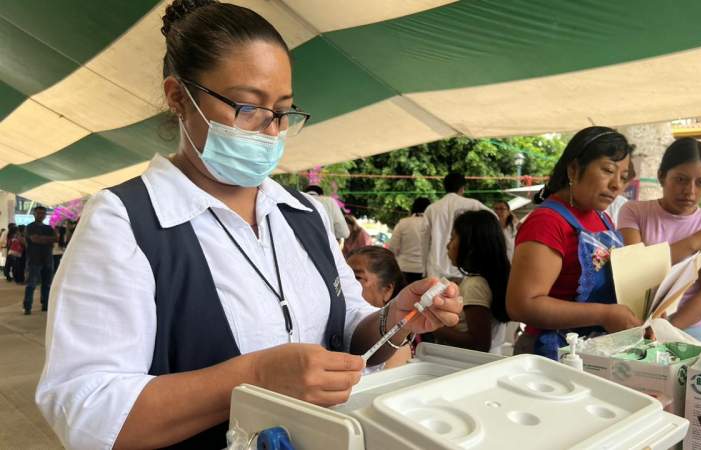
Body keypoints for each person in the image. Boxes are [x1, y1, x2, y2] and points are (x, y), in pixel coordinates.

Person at [35, 3, 462, 449]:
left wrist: (394, 321)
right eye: (247, 107)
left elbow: (348, 324)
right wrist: (253, 376)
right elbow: (86, 409)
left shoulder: (304, 214)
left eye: (282, 111)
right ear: (179, 97)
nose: (269, 131)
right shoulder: (126, 221)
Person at [507, 126, 639, 360]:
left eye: (623, 176)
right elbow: (522, 304)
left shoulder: (603, 217)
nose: (616, 185)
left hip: (594, 348)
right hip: (552, 352)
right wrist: (605, 315)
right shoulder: (547, 222)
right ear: (574, 169)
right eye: (608, 170)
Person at [618, 138, 701, 343]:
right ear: (662, 176)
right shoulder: (634, 212)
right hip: (638, 327)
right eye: (681, 179)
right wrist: (693, 243)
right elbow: (634, 270)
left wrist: (666, 329)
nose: (690, 191)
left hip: (695, 330)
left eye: (700, 182)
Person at [433, 210, 510, 354]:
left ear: (471, 246)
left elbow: (479, 343)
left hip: (471, 365)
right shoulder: (489, 279)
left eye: (453, 238)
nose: (448, 245)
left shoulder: (474, 285)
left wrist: (435, 327)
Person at [346, 246, 411, 371]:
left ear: (387, 289)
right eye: (344, 278)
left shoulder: (396, 343)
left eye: (357, 277)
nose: (347, 285)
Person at [421, 172, 493, 280]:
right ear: (462, 188)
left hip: (435, 271)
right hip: (465, 270)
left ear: (444, 187)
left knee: (436, 297)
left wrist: (424, 269)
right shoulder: (474, 205)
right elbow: (494, 219)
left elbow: (424, 241)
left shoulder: (432, 209)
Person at [387, 197, 430, 283]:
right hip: (425, 271)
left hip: (403, 268)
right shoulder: (431, 225)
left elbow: (392, 248)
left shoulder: (403, 223)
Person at [24, 206, 56, 314]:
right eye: (38, 213)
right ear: (34, 214)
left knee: (47, 284)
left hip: (47, 259)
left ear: (45, 215)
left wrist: (40, 239)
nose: (40, 215)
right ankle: (28, 307)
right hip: (34, 259)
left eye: (42, 213)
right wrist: (47, 239)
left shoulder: (49, 228)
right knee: (31, 284)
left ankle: (45, 305)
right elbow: (34, 239)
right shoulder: (29, 227)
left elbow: (55, 238)